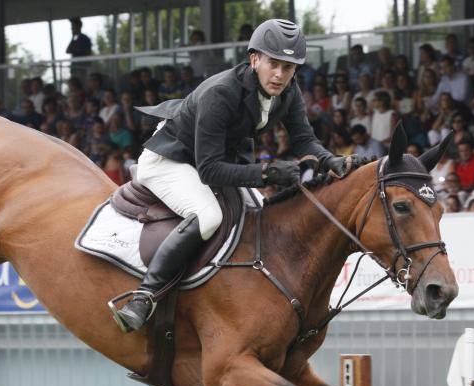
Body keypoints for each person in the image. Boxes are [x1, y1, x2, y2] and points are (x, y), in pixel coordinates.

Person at [112, 19, 371, 332]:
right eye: (273, 64)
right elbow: (209, 170)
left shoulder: (288, 91)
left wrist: (330, 160)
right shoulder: (220, 93)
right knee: (208, 217)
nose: (279, 74)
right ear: (254, 59)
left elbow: (304, 139)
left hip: (214, 158)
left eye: (288, 68)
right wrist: (266, 172)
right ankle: (145, 296)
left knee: (260, 213)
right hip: (171, 160)